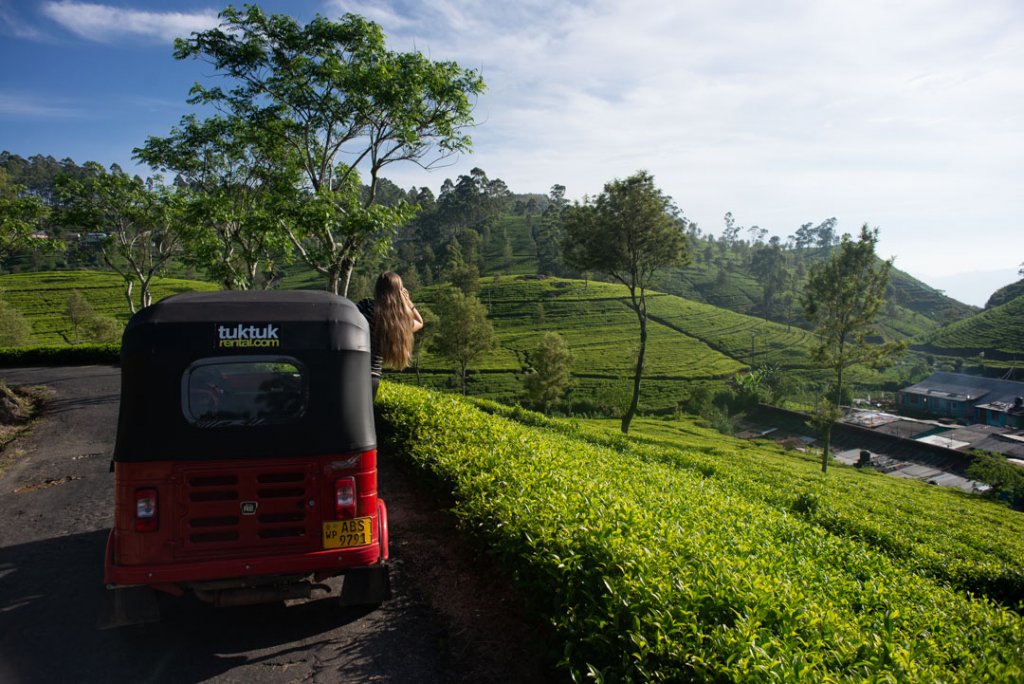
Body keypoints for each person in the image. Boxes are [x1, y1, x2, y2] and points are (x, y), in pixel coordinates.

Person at [356, 272, 424, 398]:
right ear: (400, 292)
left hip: (354, 371)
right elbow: (420, 322)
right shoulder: (399, 321)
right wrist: (408, 302)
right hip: (373, 378)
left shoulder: (366, 306)